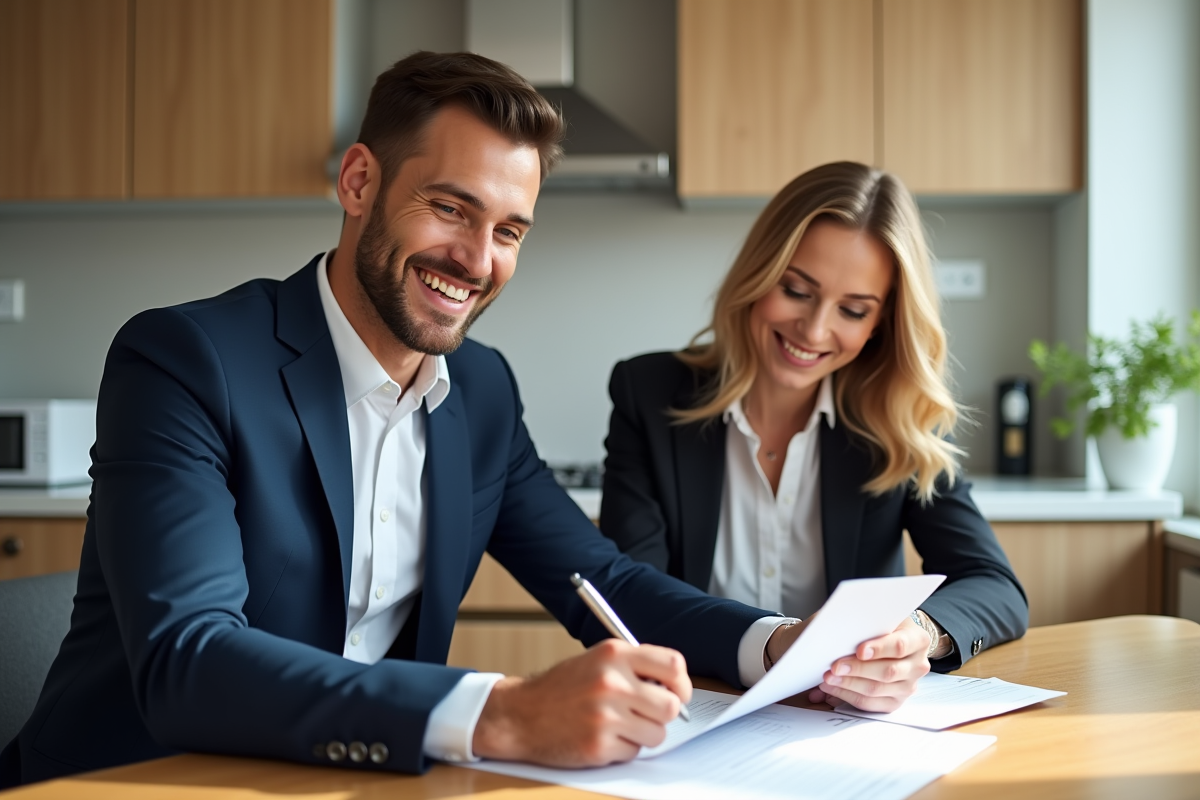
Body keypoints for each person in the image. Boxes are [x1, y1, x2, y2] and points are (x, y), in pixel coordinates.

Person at [1, 53, 900, 788]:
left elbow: (599, 580)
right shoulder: (186, 360)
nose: (476, 259)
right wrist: (499, 710)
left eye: (509, 231)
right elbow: (188, 660)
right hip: (133, 784)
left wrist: (779, 647)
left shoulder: (481, 389)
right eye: (449, 208)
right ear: (360, 181)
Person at [600, 162, 1029, 710]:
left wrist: (918, 633)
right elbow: (629, 599)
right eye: (797, 290)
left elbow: (996, 586)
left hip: (843, 726)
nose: (815, 329)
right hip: (696, 708)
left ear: (879, 324)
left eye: (853, 310)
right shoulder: (648, 392)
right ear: (758, 273)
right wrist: (774, 643)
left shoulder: (896, 420)